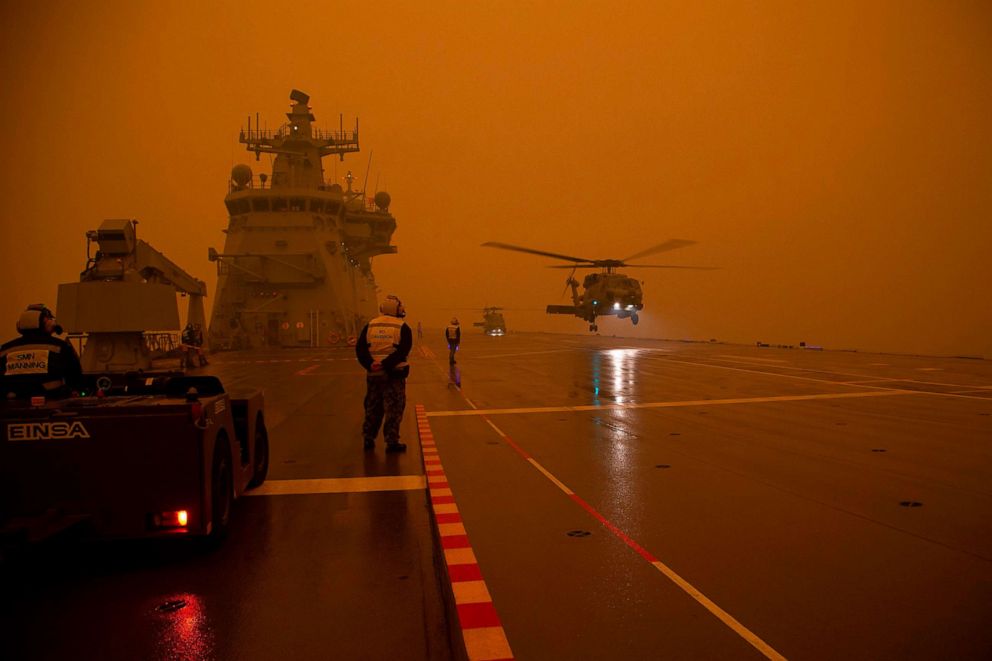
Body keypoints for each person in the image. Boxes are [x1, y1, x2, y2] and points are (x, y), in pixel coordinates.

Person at [356, 294, 412, 452]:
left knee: (373, 407)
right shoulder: (402, 327)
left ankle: (368, 438)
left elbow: (360, 349)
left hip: (373, 374)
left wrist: (370, 364)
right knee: (394, 408)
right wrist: (385, 364)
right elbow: (403, 351)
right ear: (397, 308)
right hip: (395, 374)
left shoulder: (370, 325)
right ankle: (391, 441)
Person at [0, 304, 83, 399]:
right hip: (51, 404)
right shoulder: (60, 347)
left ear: (19, 326)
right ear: (49, 324)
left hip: (12, 407)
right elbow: (75, 378)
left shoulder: (5, 349)